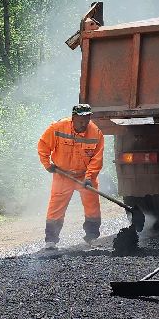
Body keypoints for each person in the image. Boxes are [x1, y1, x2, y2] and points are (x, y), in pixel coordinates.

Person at [36, 102, 106, 252]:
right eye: (81, 119)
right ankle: (51, 241)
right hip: (63, 174)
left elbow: (96, 159)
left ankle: (92, 237)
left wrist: (89, 177)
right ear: (73, 117)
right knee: (56, 207)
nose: (84, 123)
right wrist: (47, 165)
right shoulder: (57, 128)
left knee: (92, 206)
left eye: (87, 119)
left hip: (85, 175)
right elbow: (43, 146)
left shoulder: (96, 133)